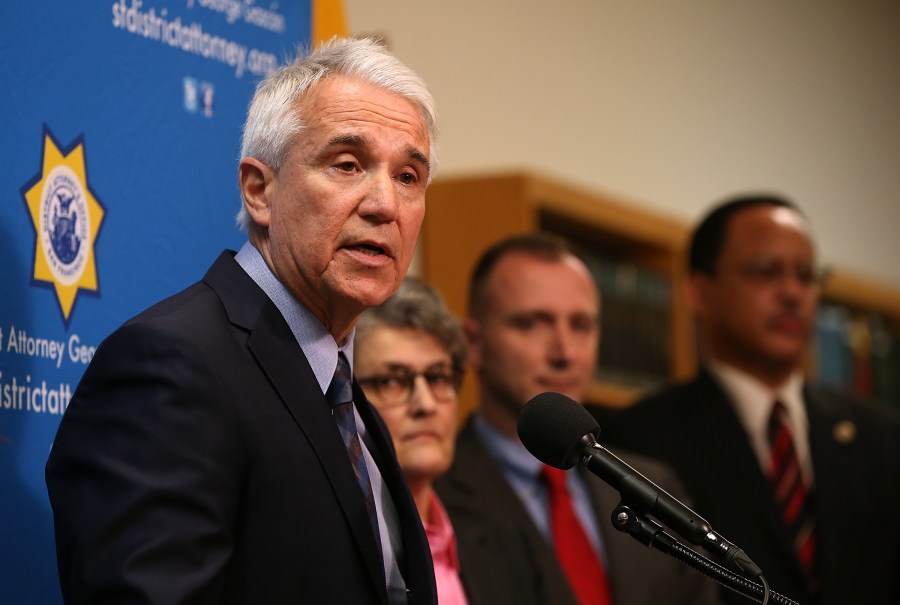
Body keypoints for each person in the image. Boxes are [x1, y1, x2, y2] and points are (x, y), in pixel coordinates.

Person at [45, 37, 439, 605]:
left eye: (408, 177)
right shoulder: (172, 367)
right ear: (260, 190)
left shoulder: (345, 396)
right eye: (347, 164)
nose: (385, 203)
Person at [596, 196, 900, 605]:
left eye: (806, 274)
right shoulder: (638, 438)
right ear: (699, 292)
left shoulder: (882, 437)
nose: (793, 292)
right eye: (765, 271)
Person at [434, 233, 720, 605]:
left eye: (581, 325)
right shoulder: (433, 490)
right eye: (532, 323)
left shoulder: (652, 484)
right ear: (473, 344)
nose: (565, 352)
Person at [354, 276, 551, 605]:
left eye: (438, 377)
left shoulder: (507, 544)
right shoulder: (332, 545)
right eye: (391, 381)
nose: (426, 404)